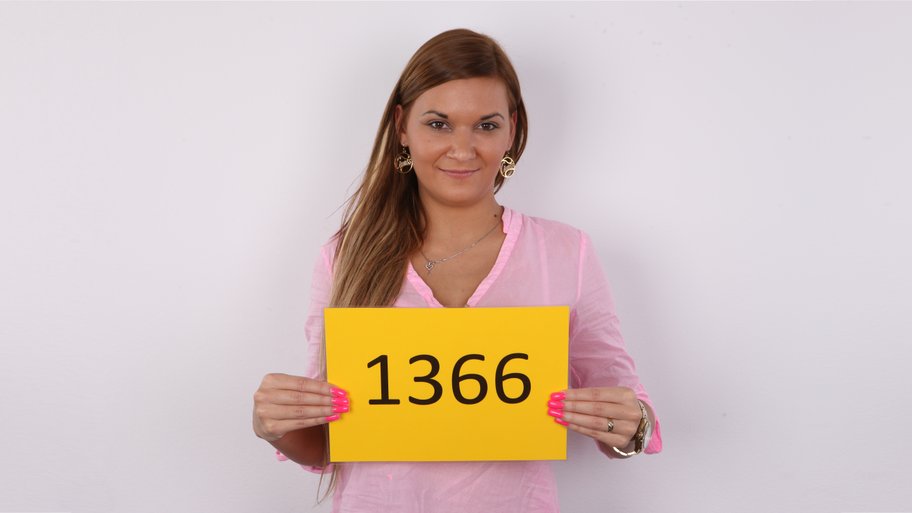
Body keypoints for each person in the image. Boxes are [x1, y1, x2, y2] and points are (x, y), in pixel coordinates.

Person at [252, 28, 662, 512]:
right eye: (439, 124)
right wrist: (275, 426)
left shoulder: (566, 252)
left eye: (485, 125)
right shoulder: (346, 255)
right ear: (402, 127)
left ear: (512, 129)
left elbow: (626, 411)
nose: (463, 149)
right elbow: (329, 442)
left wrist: (631, 425)